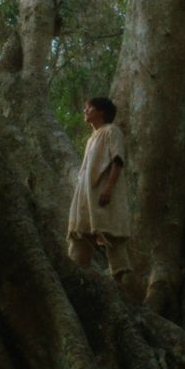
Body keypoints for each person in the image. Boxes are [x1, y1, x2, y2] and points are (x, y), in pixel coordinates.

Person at [68, 96, 135, 294]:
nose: (85, 111)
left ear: (101, 112)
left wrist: (108, 189)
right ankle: (77, 281)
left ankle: (121, 285)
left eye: (89, 108)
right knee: (81, 234)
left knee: (112, 236)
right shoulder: (92, 138)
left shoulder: (111, 131)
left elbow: (117, 161)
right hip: (86, 196)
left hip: (103, 196)